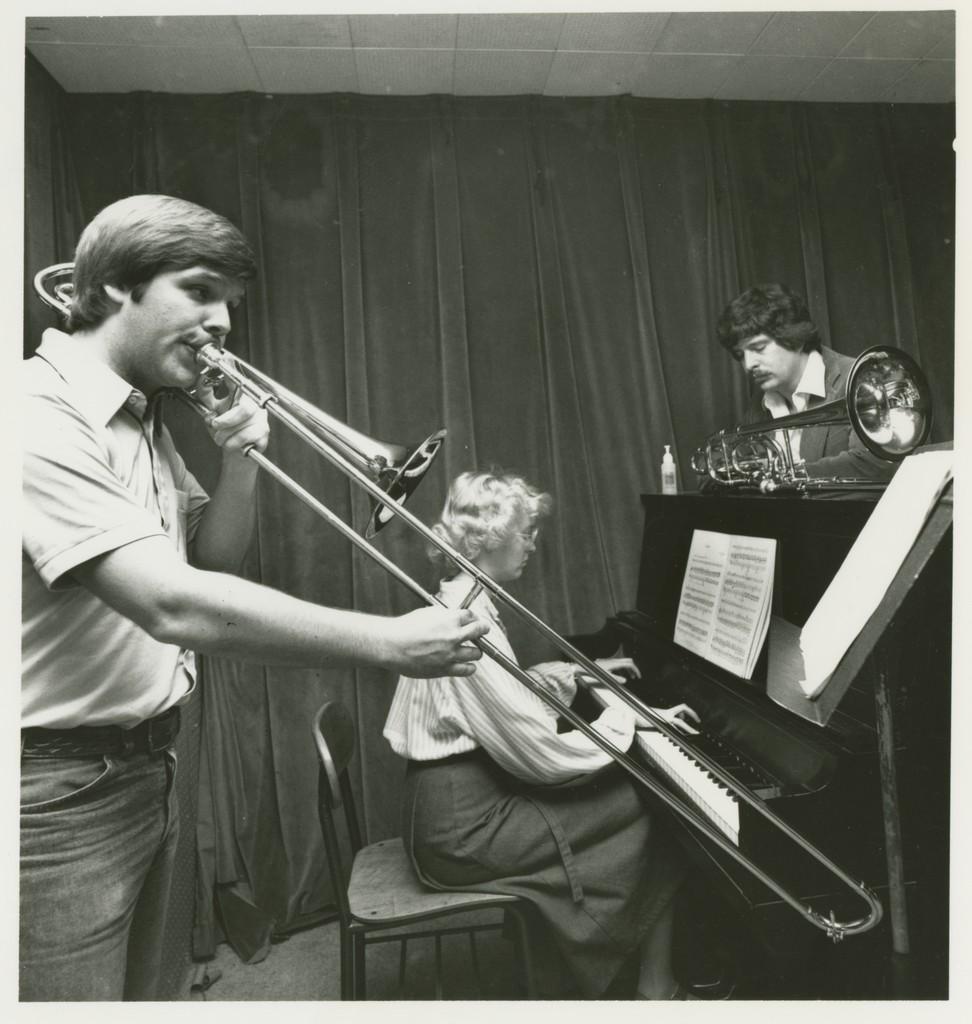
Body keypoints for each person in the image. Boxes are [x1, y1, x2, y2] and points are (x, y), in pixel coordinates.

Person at [21, 194, 489, 1001]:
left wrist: (239, 461)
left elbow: (210, 559)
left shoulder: (145, 422)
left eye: (229, 303)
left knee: (147, 997)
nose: (224, 323)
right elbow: (174, 606)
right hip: (56, 793)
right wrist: (386, 641)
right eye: (199, 290)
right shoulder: (34, 414)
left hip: (154, 763)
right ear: (109, 289)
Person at [383, 471, 702, 999]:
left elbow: (496, 702)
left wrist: (572, 675)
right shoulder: (466, 622)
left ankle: (612, 963)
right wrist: (628, 716)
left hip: (450, 814)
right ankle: (656, 988)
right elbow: (543, 757)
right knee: (660, 803)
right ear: (487, 539)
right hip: (462, 835)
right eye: (525, 532)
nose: (533, 543)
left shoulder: (461, 599)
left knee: (638, 798)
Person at [716, 283, 896, 483]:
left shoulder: (861, 378)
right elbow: (721, 468)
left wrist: (782, 480)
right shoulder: (761, 403)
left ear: (797, 338)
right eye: (741, 355)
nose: (749, 364)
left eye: (759, 348)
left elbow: (875, 464)